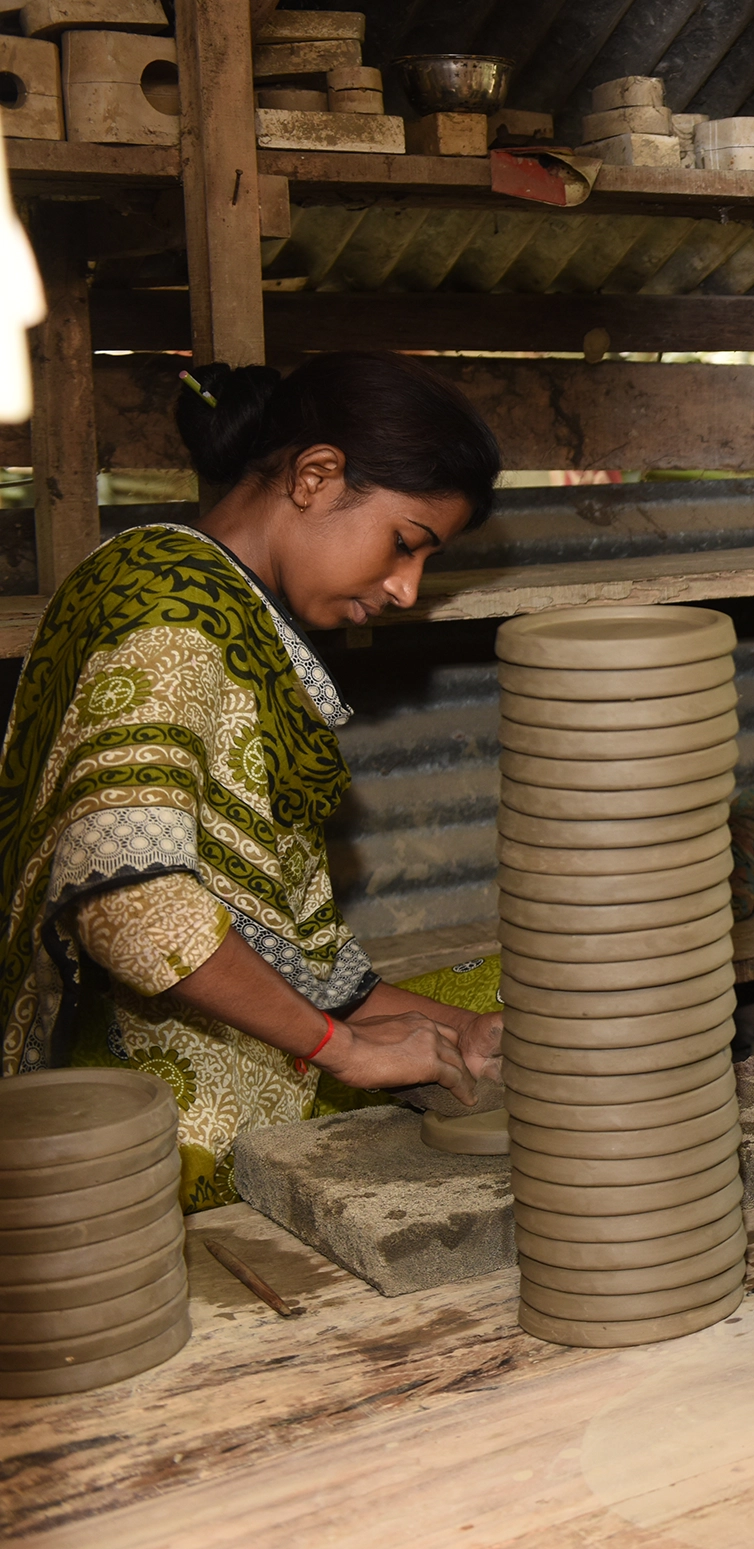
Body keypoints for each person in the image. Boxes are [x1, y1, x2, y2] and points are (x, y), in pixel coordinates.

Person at [0, 352, 505, 1210]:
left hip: (236, 1027)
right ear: (316, 474)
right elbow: (133, 905)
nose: (407, 587)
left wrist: (462, 1033)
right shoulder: (167, 609)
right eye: (404, 544)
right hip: (122, 1099)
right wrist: (345, 1050)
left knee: (523, 1000)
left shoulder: (229, 617)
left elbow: (301, 957)